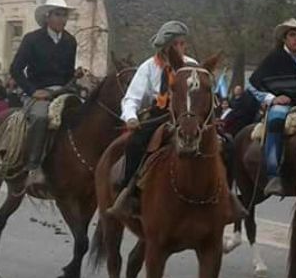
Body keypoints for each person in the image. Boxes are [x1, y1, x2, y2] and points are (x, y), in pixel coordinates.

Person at [105, 21, 245, 220]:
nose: (181, 48)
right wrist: (131, 117)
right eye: (176, 44)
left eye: (182, 43)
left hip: (189, 115)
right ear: (166, 47)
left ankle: (227, 196)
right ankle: (129, 193)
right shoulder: (148, 67)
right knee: (136, 142)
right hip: (159, 114)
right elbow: (132, 97)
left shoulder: (192, 64)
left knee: (228, 144)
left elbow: (201, 93)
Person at [247, 18, 296, 196]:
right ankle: (274, 174)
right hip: (284, 104)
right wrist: (272, 98)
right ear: (284, 38)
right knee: (275, 121)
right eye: (292, 35)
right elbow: (253, 84)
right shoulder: (274, 58)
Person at [10, 0, 77, 192]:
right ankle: (33, 167)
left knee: (86, 114)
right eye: (58, 14)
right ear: (48, 17)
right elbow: (16, 69)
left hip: (63, 90)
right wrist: (32, 91)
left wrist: (75, 78)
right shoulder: (32, 39)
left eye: (64, 15)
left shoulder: (70, 41)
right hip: (38, 91)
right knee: (40, 117)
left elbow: (67, 72)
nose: (62, 19)